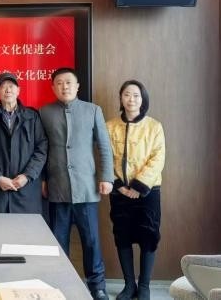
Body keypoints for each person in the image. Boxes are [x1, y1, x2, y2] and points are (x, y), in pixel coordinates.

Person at [39, 67, 114, 300]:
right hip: (57, 187)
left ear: (77, 86)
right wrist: (42, 179)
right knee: (58, 241)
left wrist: (107, 177)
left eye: (69, 82)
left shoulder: (93, 110)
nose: (64, 87)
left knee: (91, 241)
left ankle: (97, 286)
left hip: (86, 188)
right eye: (59, 83)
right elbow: (40, 149)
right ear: (53, 87)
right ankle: (59, 283)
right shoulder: (44, 112)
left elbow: (104, 146)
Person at [106, 80, 165, 300]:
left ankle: (145, 286)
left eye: (136, 95)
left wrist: (139, 186)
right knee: (122, 235)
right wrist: (119, 185)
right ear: (121, 98)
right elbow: (104, 157)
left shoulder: (154, 126)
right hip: (120, 192)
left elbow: (157, 158)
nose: (131, 99)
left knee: (149, 235)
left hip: (148, 191)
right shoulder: (109, 126)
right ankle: (129, 285)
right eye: (127, 95)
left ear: (143, 99)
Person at [0, 72, 48, 214]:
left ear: (18, 90)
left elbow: (41, 148)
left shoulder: (32, 117)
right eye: (3, 86)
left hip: (26, 190)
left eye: (11, 86)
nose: (8, 90)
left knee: (25, 227)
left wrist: (27, 176)